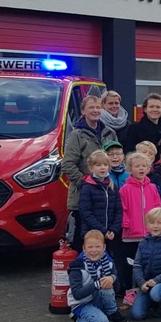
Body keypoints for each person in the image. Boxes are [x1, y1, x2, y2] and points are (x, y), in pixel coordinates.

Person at [63, 95, 118, 243]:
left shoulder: (110, 133)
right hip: (83, 196)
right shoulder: (77, 135)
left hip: (106, 197)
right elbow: (67, 164)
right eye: (91, 107)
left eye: (98, 107)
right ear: (83, 111)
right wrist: (85, 181)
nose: (95, 110)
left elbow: (116, 159)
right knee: (84, 242)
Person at [117, 151, 160, 303]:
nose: (141, 169)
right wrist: (126, 223)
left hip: (149, 234)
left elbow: (157, 208)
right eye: (137, 166)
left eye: (144, 166)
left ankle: (147, 290)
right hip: (131, 235)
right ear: (130, 168)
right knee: (130, 264)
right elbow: (122, 209)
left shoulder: (153, 188)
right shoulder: (125, 189)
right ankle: (129, 290)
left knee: (147, 263)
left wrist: (158, 224)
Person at [67, 229, 126, 322]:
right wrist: (97, 284)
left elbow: (116, 290)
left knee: (106, 286)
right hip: (81, 303)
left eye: (98, 247)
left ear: (104, 248)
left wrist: (112, 279)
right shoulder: (77, 266)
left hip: (97, 298)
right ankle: (77, 318)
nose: (94, 250)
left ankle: (112, 313)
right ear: (84, 249)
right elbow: (77, 294)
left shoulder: (109, 263)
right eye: (90, 247)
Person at [130, 207, 161, 321]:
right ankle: (152, 303)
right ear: (147, 224)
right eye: (152, 223)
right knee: (137, 315)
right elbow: (137, 265)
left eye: (159, 223)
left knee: (157, 293)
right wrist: (141, 283)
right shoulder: (143, 242)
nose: (155, 226)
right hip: (146, 283)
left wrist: (157, 280)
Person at [78, 150, 122, 247]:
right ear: (91, 168)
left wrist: (114, 229)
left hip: (111, 234)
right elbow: (85, 211)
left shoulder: (112, 187)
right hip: (92, 233)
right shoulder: (87, 187)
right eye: (98, 165)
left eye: (105, 165)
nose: (102, 168)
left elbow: (118, 210)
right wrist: (102, 230)